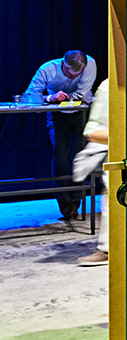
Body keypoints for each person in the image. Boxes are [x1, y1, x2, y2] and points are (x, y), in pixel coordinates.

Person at [26, 50, 97, 219]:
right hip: (57, 114)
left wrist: (68, 99)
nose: (73, 78)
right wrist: (50, 98)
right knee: (60, 156)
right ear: (63, 64)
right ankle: (63, 200)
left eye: (77, 75)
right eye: (69, 74)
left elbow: (81, 95)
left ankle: (76, 200)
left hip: (81, 113)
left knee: (79, 156)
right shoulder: (47, 69)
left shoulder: (90, 64)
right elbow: (30, 96)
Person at [75, 78, 110, 266]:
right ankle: (107, 248)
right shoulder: (108, 87)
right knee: (114, 196)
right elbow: (93, 132)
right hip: (120, 152)